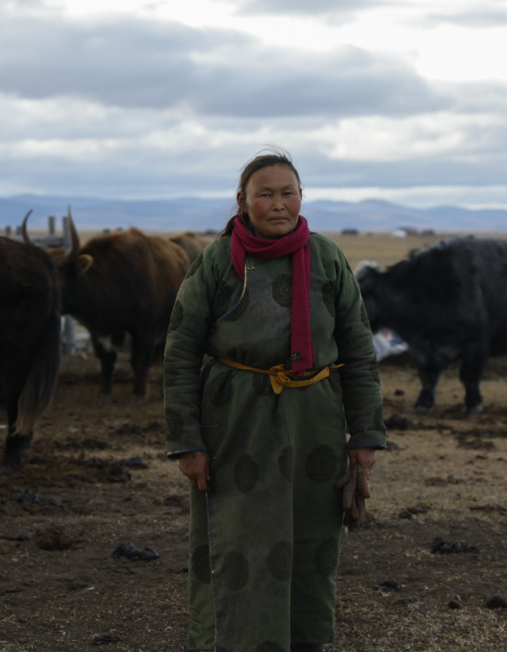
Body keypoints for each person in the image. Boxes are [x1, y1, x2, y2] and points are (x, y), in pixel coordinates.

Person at [163, 148, 387, 652]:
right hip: (235, 421)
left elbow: (358, 349)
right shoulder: (216, 261)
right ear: (242, 201)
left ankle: (302, 642)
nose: (279, 204)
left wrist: (365, 435)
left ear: (302, 196)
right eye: (265, 194)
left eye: (288, 192)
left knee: (311, 540)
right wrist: (186, 441)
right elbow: (180, 352)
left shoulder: (327, 258)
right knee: (238, 539)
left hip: (315, 421)